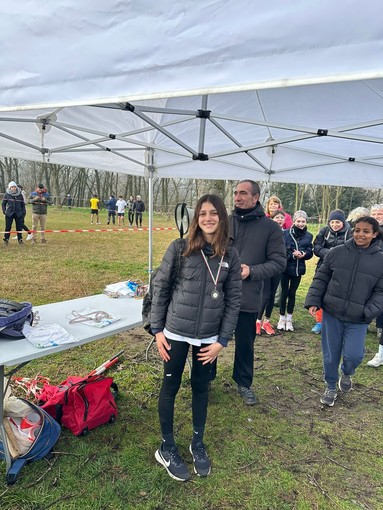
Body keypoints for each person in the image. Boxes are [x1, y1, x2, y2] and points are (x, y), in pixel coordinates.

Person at [151, 194, 242, 481]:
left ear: (222, 217)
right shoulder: (180, 247)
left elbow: (234, 301)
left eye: (213, 213)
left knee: (201, 388)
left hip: (208, 338)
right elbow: (161, 289)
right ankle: (167, 446)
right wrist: (157, 331)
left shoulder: (231, 254)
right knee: (171, 386)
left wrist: (221, 341)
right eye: (202, 213)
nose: (208, 218)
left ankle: (197, 443)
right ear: (195, 218)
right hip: (176, 331)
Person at [305, 216, 383, 407]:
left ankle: (346, 372)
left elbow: (381, 291)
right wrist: (314, 300)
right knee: (331, 354)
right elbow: (321, 278)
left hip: (359, 318)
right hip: (332, 313)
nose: (360, 234)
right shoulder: (336, 252)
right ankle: (331, 386)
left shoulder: (380, 260)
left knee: (354, 355)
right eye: (357, 230)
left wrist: (369, 312)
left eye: (366, 231)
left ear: (375, 234)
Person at [230, 180, 286, 405]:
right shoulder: (225, 222)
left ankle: (243, 382)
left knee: (245, 343)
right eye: (235, 193)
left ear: (255, 198)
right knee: (210, 339)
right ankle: (206, 377)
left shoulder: (270, 228)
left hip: (248, 296)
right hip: (217, 295)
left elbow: (279, 262)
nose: (237, 197)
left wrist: (251, 271)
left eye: (243, 193)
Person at [310, 209, 352, 334]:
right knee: (320, 293)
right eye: (332, 222)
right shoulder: (324, 231)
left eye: (338, 222)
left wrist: (338, 255)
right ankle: (319, 322)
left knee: (336, 294)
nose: (335, 225)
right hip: (324, 266)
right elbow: (317, 247)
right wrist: (329, 254)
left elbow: (351, 249)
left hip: (342, 268)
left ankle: (334, 322)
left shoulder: (349, 233)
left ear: (343, 222)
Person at [277, 210, 313, 332]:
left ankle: (289, 318)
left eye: (303, 221)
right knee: (284, 293)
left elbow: (310, 251)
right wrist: (293, 255)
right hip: (286, 268)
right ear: (294, 221)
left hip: (298, 269)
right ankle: (281, 317)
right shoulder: (286, 234)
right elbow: (282, 251)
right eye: (298, 221)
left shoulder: (309, 236)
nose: (301, 223)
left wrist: (303, 254)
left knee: (292, 293)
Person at [256, 210, 286, 335]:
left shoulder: (287, 234)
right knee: (265, 295)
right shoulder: (266, 232)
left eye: (281, 218)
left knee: (272, 295)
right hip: (267, 267)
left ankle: (266, 321)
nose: (279, 220)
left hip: (278, 268)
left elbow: (287, 249)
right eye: (277, 218)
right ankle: (257, 321)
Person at [367, 204, 383, 367]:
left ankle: (380, 328)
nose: (377, 215)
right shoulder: (367, 230)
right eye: (375, 213)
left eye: (380, 213)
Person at [2, 181, 26, 246]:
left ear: (16, 187)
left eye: (14, 187)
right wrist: (4, 211)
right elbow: (3, 204)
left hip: (18, 213)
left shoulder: (20, 195)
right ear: (10, 188)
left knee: (19, 227)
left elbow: (22, 204)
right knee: (8, 227)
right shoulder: (7, 195)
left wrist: (23, 212)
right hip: (9, 214)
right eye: (12, 187)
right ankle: (6, 239)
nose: (13, 188)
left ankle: (20, 239)